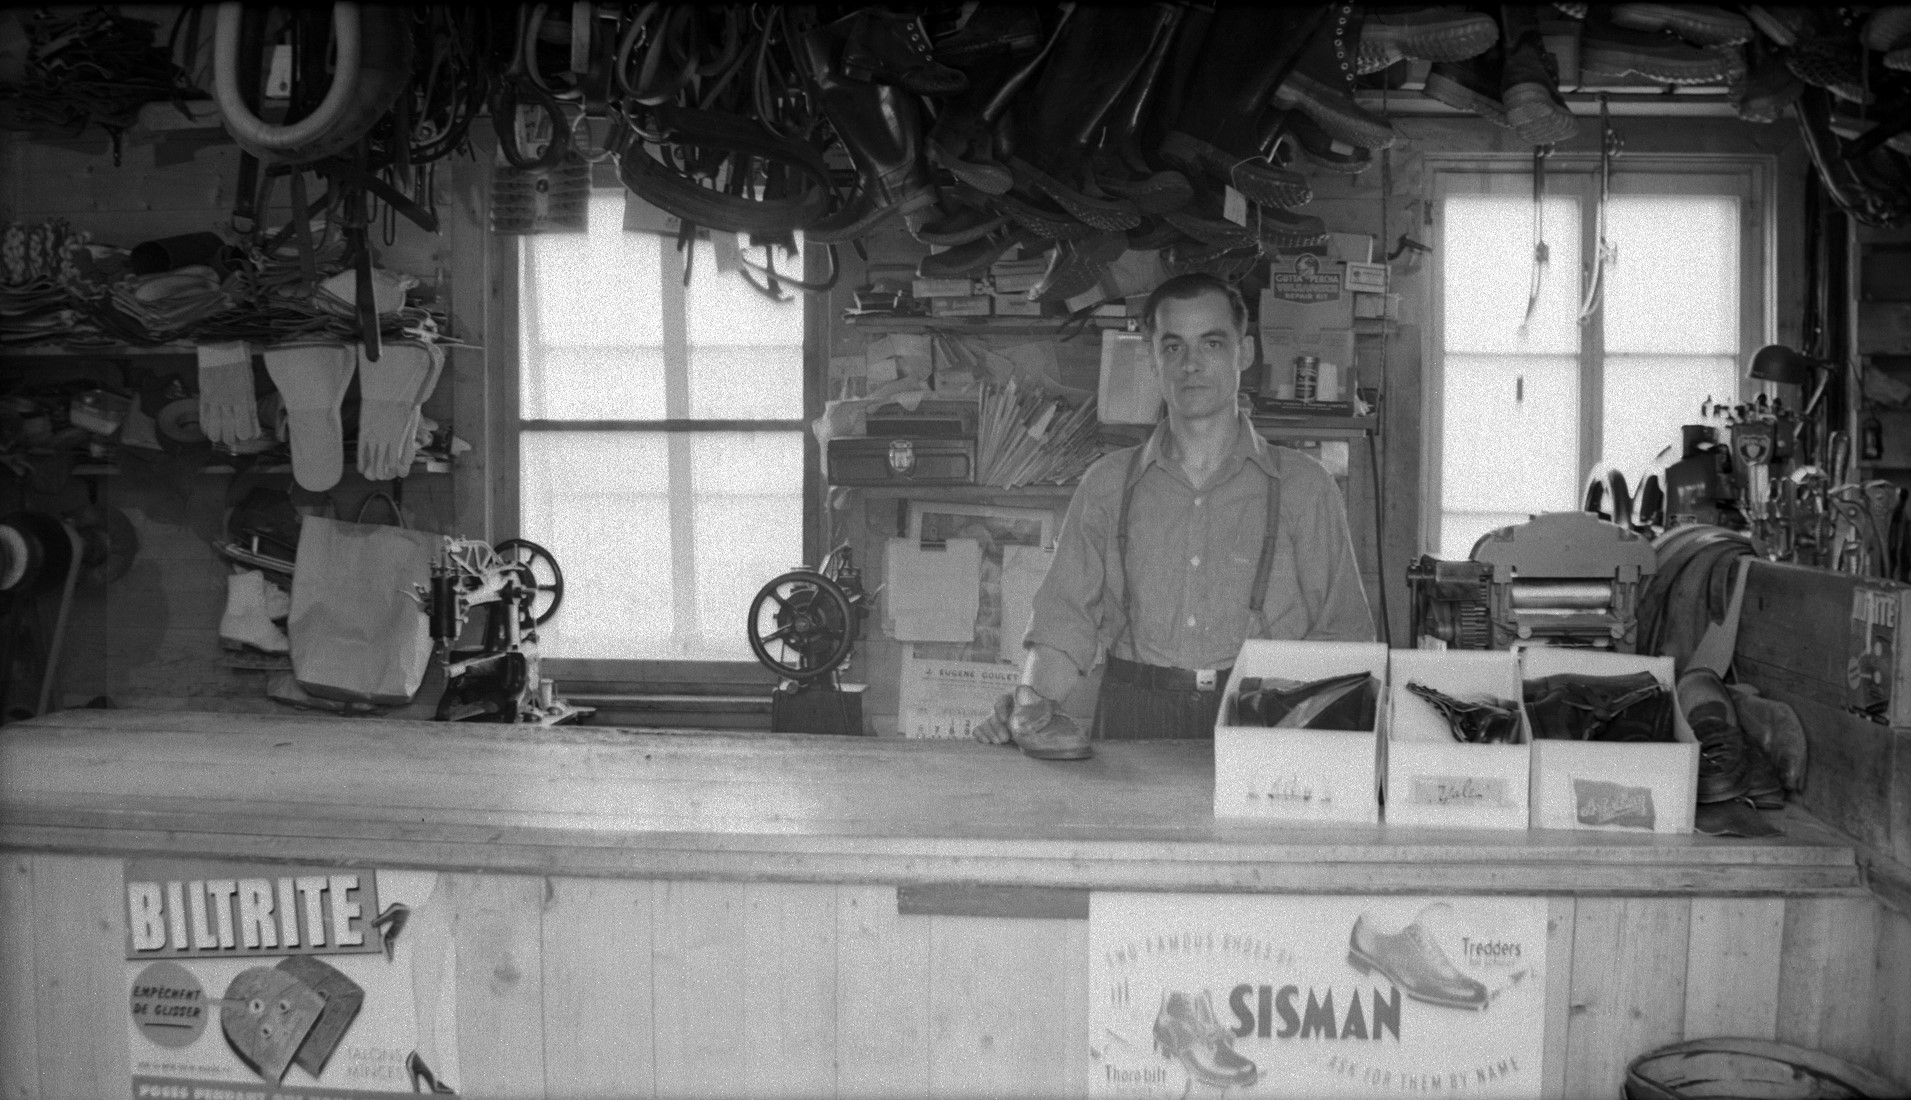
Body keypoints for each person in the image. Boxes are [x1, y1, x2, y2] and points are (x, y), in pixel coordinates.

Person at [974, 272, 1375, 759]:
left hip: (1264, 719)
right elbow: (1064, 622)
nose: (1191, 364)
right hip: (1132, 718)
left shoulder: (1305, 487)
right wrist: (1030, 704)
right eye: (1172, 347)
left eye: (1211, 343)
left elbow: (1345, 637)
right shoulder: (1106, 484)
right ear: (1150, 359)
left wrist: (1310, 753)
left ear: (1242, 354)